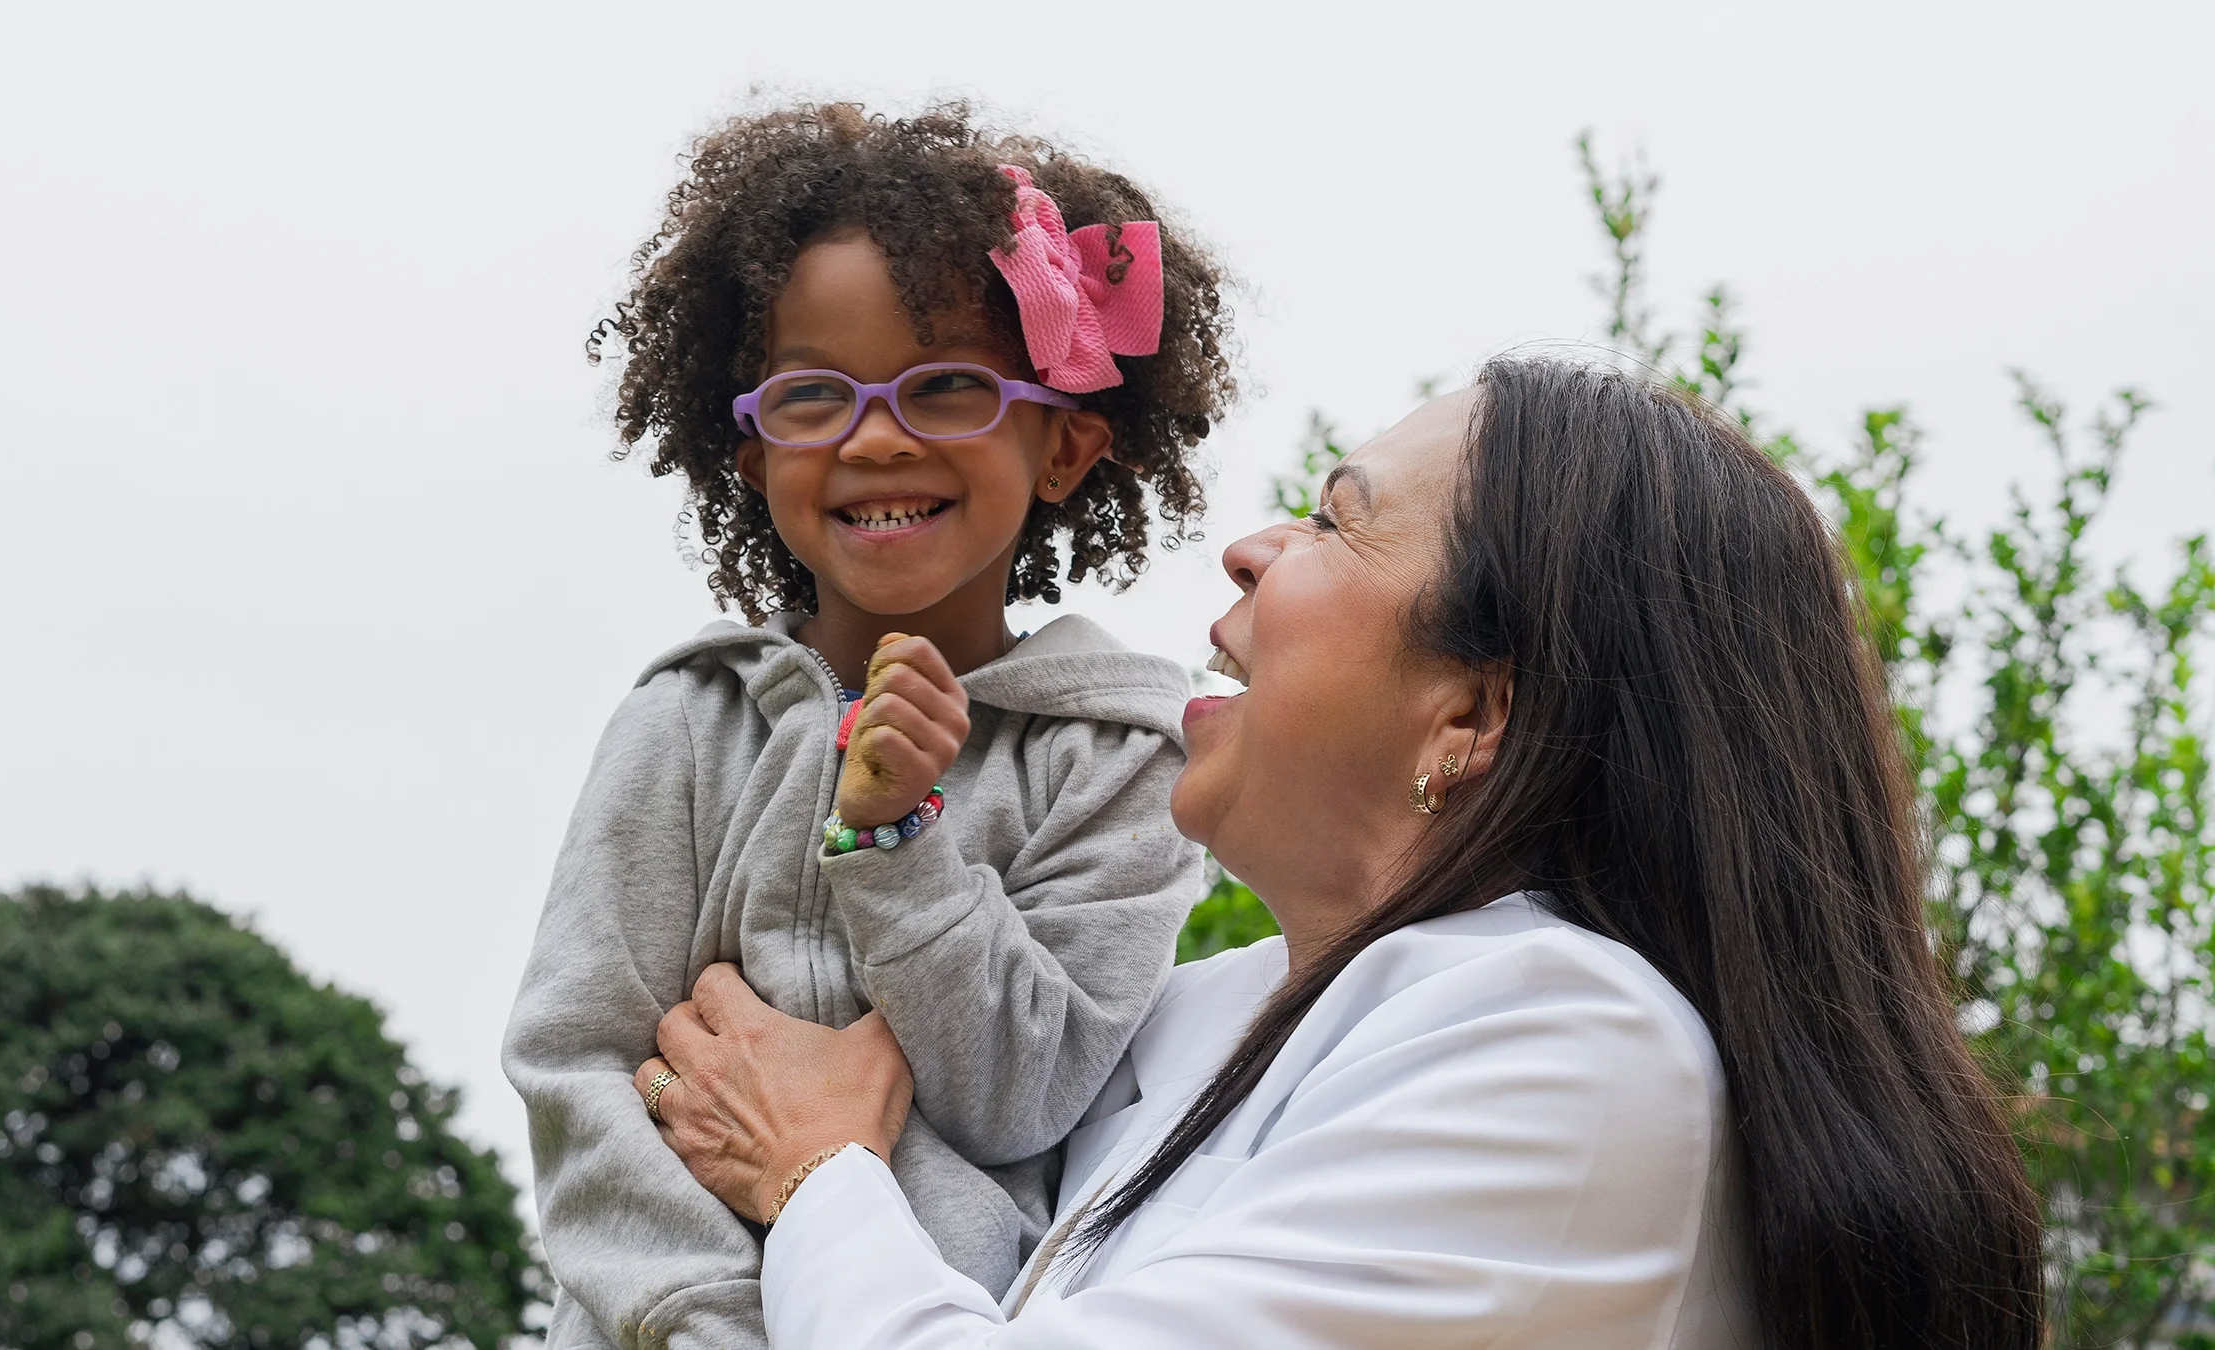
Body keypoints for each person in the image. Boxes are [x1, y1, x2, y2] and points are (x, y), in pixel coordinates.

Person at [638, 358, 2046, 1349]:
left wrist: (817, 1168)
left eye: (1333, 519)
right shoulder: (1189, 1016)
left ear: (1476, 710)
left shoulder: (1570, 1044)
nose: (1250, 549)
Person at [500, 102, 1239, 1348]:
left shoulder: (1125, 758)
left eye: (947, 386)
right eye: (812, 395)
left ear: (1064, 445)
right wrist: (717, 1323)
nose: (877, 434)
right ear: (750, 455)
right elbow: (579, 1069)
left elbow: (1025, 1094)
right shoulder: (685, 722)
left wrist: (901, 847)